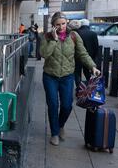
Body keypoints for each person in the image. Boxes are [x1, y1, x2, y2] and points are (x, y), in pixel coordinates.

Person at [40, 12, 101, 146]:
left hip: (67, 76)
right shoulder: (47, 37)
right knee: (53, 105)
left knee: (67, 105)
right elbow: (44, 54)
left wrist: (92, 67)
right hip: (50, 76)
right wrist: (54, 40)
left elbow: (82, 53)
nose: (61, 26)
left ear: (67, 22)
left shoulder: (74, 36)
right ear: (53, 26)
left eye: (63, 23)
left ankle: (60, 125)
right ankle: (55, 133)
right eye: (58, 24)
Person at [74, 19, 100, 88]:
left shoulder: (76, 33)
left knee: (77, 73)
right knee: (88, 73)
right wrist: (94, 58)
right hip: (89, 57)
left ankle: (78, 88)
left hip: (77, 57)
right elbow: (96, 47)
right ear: (88, 25)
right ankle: (90, 88)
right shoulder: (93, 33)